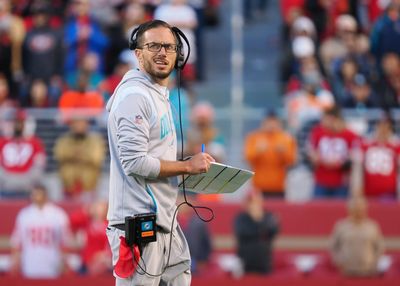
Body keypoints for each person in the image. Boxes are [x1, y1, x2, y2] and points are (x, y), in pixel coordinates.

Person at [105, 20, 215, 286]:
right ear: (138, 54)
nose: (162, 53)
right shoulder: (135, 95)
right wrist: (186, 167)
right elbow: (134, 162)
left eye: (168, 46)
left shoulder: (157, 94)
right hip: (138, 222)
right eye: (153, 45)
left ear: (179, 54)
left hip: (164, 220)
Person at [9, 184, 72, 278]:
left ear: (46, 196)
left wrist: (64, 260)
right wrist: (16, 260)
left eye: (39, 194)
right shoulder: (24, 215)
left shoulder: (58, 214)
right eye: (34, 194)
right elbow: (16, 241)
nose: (36, 197)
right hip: (30, 260)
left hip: (51, 260)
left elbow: (65, 240)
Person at [307, 106, 359, 198]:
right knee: (318, 209)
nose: (323, 122)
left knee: (339, 210)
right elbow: (313, 155)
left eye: (326, 118)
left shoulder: (349, 135)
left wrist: (338, 163)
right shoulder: (317, 132)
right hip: (321, 180)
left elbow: (353, 157)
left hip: (340, 182)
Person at [244, 110, 297, 198]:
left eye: (274, 121)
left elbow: (292, 161)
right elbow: (247, 157)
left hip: (278, 187)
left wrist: (283, 152)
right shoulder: (254, 137)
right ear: (263, 122)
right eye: (268, 121)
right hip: (259, 186)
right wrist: (258, 151)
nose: (271, 124)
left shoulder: (285, 138)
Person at [53, 116, 105, 201]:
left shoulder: (95, 140)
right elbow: (59, 155)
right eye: (76, 124)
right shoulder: (64, 140)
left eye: (82, 123)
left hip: (89, 183)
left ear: (87, 125)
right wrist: (75, 154)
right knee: (67, 170)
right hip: (68, 184)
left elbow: (96, 158)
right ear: (71, 125)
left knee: (88, 172)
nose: (79, 126)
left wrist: (80, 155)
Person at [330, 196, 384, 276]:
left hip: (367, 270)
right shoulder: (341, 226)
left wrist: (374, 262)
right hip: (347, 270)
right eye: (355, 209)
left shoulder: (372, 226)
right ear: (349, 210)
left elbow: (379, 247)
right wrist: (338, 261)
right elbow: (333, 246)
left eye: (360, 209)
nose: (358, 212)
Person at [0, 109, 46, 198]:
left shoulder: (35, 142)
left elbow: (39, 164)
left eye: (20, 122)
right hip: (5, 185)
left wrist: (28, 180)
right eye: (15, 122)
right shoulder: (2, 142)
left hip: (27, 187)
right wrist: (5, 180)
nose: (18, 126)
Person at [234, 190, 280, 274]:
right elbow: (244, 232)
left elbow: (273, 231)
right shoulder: (241, 218)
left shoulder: (268, 216)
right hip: (245, 262)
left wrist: (259, 220)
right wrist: (258, 221)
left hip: (263, 262)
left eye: (256, 201)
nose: (254, 205)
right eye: (251, 202)